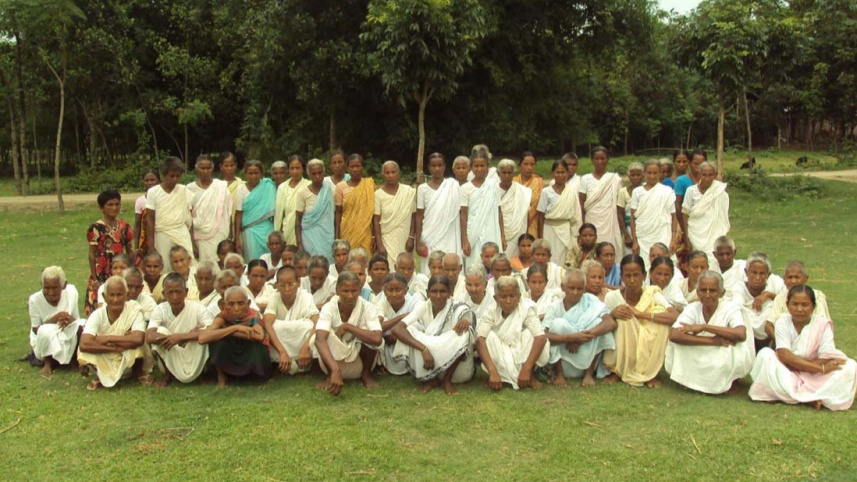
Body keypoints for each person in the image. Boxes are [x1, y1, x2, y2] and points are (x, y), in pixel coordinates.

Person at [749, 285, 856, 411]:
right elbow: (784, 355)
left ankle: (794, 396)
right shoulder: (782, 322)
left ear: (813, 307)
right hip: (788, 369)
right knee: (765, 355)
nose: (799, 309)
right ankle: (809, 397)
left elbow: (826, 355)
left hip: (814, 374)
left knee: (850, 366)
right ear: (787, 305)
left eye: (805, 305)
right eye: (795, 304)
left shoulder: (822, 324)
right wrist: (819, 368)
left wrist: (811, 368)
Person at [665, 271, 754, 394]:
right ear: (697, 292)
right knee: (678, 344)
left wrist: (705, 327)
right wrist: (711, 341)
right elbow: (674, 335)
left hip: (721, 350)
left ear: (722, 293)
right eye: (703, 290)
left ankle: (730, 381)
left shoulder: (731, 308)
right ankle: (692, 381)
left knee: (736, 347)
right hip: (706, 346)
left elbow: (741, 334)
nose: (707, 295)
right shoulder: (692, 308)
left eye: (712, 291)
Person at [392, 275, 475, 394]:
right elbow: (397, 329)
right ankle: (432, 379)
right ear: (427, 293)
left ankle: (446, 380)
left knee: (465, 333)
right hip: (429, 356)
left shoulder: (458, 307)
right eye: (434, 291)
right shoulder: (423, 306)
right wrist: (424, 349)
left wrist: (465, 321)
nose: (438, 296)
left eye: (442, 291)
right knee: (409, 330)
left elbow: (468, 322)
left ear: (450, 293)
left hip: (454, 366)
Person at [602, 254, 672, 388]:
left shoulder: (652, 293)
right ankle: (618, 371)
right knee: (624, 317)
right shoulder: (612, 297)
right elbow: (603, 322)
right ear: (622, 277)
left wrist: (641, 314)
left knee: (661, 320)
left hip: (648, 338)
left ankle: (650, 373)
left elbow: (673, 316)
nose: (632, 280)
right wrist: (612, 314)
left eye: (636, 275)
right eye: (627, 276)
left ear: (644, 276)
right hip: (623, 343)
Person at [543, 269, 617, 387]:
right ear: (563, 287)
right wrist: (571, 338)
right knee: (557, 324)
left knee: (598, 323)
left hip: (587, 355)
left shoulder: (591, 301)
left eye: (579, 289)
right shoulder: (554, 307)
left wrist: (581, 339)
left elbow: (610, 322)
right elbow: (544, 335)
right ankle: (559, 374)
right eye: (571, 288)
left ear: (584, 288)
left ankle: (589, 374)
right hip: (564, 359)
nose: (575, 292)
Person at [314, 271, 384, 396]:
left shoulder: (368, 307)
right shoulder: (329, 307)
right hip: (334, 362)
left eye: (354, 291)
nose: (350, 296)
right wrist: (335, 370)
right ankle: (330, 375)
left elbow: (377, 339)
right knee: (323, 335)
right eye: (345, 291)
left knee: (368, 334)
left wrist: (348, 327)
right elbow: (319, 339)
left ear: (360, 291)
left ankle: (366, 375)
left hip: (359, 362)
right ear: (337, 291)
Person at [476, 276, 549, 391]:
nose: (508, 301)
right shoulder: (491, 311)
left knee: (531, 334)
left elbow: (541, 338)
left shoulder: (526, 308)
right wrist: (492, 371)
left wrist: (527, 368)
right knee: (486, 337)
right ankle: (497, 376)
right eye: (503, 297)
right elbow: (480, 340)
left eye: (512, 296)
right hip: (500, 352)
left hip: (521, 352)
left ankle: (529, 375)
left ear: (519, 296)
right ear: (496, 298)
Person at [77, 276, 148, 390]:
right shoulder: (97, 314)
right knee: (83, 352)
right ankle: (104, 374)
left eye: (119, 295)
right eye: (112, 295)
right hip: (107, 352)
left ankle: (135, 372)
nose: (115, 299)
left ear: (126, 295)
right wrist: (114, 348)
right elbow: (84, 343)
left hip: (125, 354)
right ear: (104, 297)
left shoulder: (134, 310)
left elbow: (138, 339)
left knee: (138, 347)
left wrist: (108, 339)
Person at [146, 273, 213, 386]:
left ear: (186, 292)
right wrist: (172, 339)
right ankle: (169, 374)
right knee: (160, 331)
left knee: (202, 334)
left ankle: (199, 374)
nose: (175, 297)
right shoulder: (160, 309)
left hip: (192, 353)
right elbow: (149, 336)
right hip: (171, 354)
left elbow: (212, 330)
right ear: (164, 294)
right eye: (170, 292)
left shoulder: (198, 309)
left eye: (178, 292)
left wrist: (182, 337)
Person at [199, 286, 272, 387]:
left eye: (240, 303)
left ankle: (255, 377)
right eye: (231, 304)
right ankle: (222, 377)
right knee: (218, 343)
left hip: (248, 354)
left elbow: (259, 336)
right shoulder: (223, 316)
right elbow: (202, 338)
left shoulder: (253, 314)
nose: (236, 308)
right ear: (224, 305)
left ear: (248, 304)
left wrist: (228, 331)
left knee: (256, 345)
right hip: (230, 353)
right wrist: (235, 328)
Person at [262, 266, 319, 375]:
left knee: (310, 327)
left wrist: (305, 348)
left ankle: (304, 362)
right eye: (282, 285)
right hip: (280, 347)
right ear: (276, 285)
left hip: (303, 346)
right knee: (272, 328)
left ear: (298, 283)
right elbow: (267, 323)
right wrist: (282, 352)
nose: (287, 289)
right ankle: (280, 362)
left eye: (291, 284)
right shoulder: (275, 297)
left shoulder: (305, 297)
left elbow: (317, 322)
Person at [28, 266, 84, 375]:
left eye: (55, 288)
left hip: (66, 334)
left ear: (64, 285)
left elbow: (76, 321)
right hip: (43, 343)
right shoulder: (35, 300)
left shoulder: (71, 292)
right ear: (41, 285)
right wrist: (54, 320)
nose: (51, 292)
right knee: (45, 330)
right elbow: (36, 330)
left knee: (84, 324)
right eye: (47, 288)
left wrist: (68, 320)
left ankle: (76, 360)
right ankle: (48, 363)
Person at [86, 189, 134, 315]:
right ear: (102, 208)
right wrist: (94, 278)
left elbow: (129, 252)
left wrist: (131, 271)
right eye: (110, 205)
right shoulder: (96, 228)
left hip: (119, 269)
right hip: (101, 272)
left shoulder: (125, 227)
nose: (114, 207)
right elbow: (92, 254)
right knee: (99, 308)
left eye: (117, 204)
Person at [415, 153, 462, 273]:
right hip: (430, 234)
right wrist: (418, 241)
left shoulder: (453, 186)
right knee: (431, 268)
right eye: (433, 166)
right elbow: (419, 216)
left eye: (440, 165)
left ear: (445, 166)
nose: (437, 169)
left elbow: (459, 212)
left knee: (450, 264)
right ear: (429, 167)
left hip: (449, 234)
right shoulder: (422, 189)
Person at [764, 261, 830, 346]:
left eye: (797, 277)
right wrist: (782, 342)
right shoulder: (780, 298)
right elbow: (768, 325)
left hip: (811, 344)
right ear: (784, 279)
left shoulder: (817, 296)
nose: (793, 281)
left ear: (806, 278)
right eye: (790, 277)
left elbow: (823, 324)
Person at [145, 157, 196, 266]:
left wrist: (192, 241)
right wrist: (151, 245)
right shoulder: (153, 192)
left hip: (181, 232)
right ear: (164, 175)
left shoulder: (184, 190)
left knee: (188, 264)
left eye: (178, 176)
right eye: (172, 176)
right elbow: (149, 218)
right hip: (162, 233)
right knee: (165, 265)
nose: (175, 179)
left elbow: (189, 218)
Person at [728, 252, 786, 345]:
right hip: (746, 335)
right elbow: (737, 308)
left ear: (768, 274)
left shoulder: (775, 284)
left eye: (762, 273)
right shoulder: (739, 287)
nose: (757, 277)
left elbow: (788, 300)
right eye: (754, 273)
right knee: (741, 313)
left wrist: (768, 295)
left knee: (773, 309)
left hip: (768, 335)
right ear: (746, 272)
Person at [630, 159, 678, 268]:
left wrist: (673, 239)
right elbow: (633, 218)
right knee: (644, 265)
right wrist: (635, 241)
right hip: (643, 237)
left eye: (655, 173)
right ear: (644, 173)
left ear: (660, 173)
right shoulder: (637, 192)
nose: (652, 176)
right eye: (649, 173)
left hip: (663, 234)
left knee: (664, 264)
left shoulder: (667, 191)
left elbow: (673, 216)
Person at [460, 153, 505, 269]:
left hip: (492, 231)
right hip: (473, 233)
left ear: (487, 167)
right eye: (476, 166)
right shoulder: (465, 188)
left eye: (482, 165)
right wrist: (464, 240)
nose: (479, 169)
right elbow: (463, 215)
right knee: (474, 266)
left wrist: (502, 236)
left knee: (495, 264)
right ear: (471, 168)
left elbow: (499, 212)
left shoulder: (494, 185)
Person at [579, 147, 624, 260]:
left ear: (607, 159)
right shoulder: (585, 179)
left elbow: (619, 204)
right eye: (596, 158)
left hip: (609, 222)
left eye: (602, 158)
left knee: (608, 251)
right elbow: (581, 205)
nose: (599, 162)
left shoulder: (614, 179)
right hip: (591, 220)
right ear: (592, 160)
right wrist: (582, 225)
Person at [187, 154, 233, 264]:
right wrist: (192, 242)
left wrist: (230, 235)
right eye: (202, 168)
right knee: (203, 266)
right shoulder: (189, 188)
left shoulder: (221, 186)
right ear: (196, 168)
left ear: (212, 168)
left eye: (208, 168)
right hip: (200, 236)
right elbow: (188, 217)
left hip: (220, 233)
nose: (205, 171)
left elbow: (228, 213)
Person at [681, 161, 730, 262]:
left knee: (714, 260)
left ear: (715, 175)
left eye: (710, 175)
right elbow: (685, 214)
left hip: (715, 234)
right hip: (695, 234)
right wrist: (686, 237)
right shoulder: (691, 191)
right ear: (699, 175)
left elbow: (723, 217)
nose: (707, 178)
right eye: (704, 175)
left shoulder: (721, 193)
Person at [373, 160, 416, 267]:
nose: (391, 175)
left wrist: (411, 238)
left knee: (405, 267)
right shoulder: (378, 195)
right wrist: (380, 244)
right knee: (388, 268)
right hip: (387, 239)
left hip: (405, 237)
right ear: (383, 175)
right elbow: (376, 220)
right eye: (387, 173)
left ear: (398, 173)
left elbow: (414, 216)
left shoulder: (409, 191)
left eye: (393, 172)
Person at [537, 159, 580, 265]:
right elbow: (540, 216)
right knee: (549, 255)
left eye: (563, 172)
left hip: (565, 229)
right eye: (558, 172)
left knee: (564, 258)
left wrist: (576, 233)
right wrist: (540, 237)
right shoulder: (546, 192)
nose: (560, 175)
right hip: (549, 229)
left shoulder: (571, 192)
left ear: (567, 173)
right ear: (552, 173)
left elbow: (576, 214)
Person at [377, 273, 420, 375]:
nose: (394, 294)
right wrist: (401, 317)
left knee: (411, 327)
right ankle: (381, 365)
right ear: (384, 291)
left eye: (398, 290)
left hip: (407, 341)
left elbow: (419, 326)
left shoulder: (414, 302)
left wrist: (397, 335)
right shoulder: (381, 303)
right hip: (387, 342)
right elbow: (376, 327)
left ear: (406, 290)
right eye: (390, 290)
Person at [234, 160, 276, 261]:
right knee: (252, 260)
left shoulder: (268, 186)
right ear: (245, 174)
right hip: (249, 230)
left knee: (269, 257)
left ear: (261, 173)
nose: (253, 176)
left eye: (256, 173)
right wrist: (237, 238)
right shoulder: (240, 189)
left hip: (267, 228)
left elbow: (274, 211)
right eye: (250, 173)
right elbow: (238, 214)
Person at [296, 159, 335, 263]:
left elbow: (335, 215)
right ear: (309, 174)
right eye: (314, 173)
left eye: (320, 172)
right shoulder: (302, 193)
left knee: (327, 263)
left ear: (324, 172)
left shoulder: (331, 189)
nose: (317, 176)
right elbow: (298, 220)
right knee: (312, 264)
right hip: (309, 237)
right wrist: (299, 243)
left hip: (327, 237)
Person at [335, 154, 375, 254]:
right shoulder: (340, 187)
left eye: (358, 166)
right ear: (347, 168)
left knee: (366, 258)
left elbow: (372, 212)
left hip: (365, 231)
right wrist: (337, 237)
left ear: (362, 168)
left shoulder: (369, 185)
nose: (355, 169)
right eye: (352, 166)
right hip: (347, 230)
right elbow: (338, 213)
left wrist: (374, 236)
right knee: (348, 258)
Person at [497, 159, 530, 259]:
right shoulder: (492, 190)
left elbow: (525, 214)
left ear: (514, 173)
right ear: (498, 174)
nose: (507, 175)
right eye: (504, 172)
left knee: (514, 260)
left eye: (509, 172)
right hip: (497, 232)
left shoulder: (523, 191)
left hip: (517, 231)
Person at [274, 155, 311, 245]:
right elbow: (279, 214)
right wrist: (277, 233)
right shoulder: (282, 187)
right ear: (288, 170)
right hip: (286, 231)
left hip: (305, 231)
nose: (295, 171)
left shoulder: (309, 185)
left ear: (303, 169)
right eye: (292, 168)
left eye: (298, 168)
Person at [514, 151, 544, 237]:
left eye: (532, 164)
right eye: (526, 164)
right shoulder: (513, 182)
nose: (529, 167)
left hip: (533, 223)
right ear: (520, 165)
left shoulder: (538, 182)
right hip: (515, 224)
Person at [134, 170, 160, 265]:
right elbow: (137, 225)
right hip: (145, 241)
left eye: (152, 180)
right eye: (147, 180)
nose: (149, 183)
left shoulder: (163, 198)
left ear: (159, 181)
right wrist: (136, 247)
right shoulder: (140, 201)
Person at [617, 162, 643, 252]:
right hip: (629, 228)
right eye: (633, 175)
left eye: (638, 175)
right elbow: (620, 214)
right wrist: (626, 235)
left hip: (644, 227)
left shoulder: (647, 190)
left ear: (643, 175)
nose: (635, 177)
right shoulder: (623, 192)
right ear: (629, 176)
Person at [220, 151, 245, 216]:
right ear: (221, 167)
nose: (229, 168)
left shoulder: (242, 185)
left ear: (235, 166)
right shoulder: (217, 186)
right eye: (226, 166)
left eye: (231, 165)